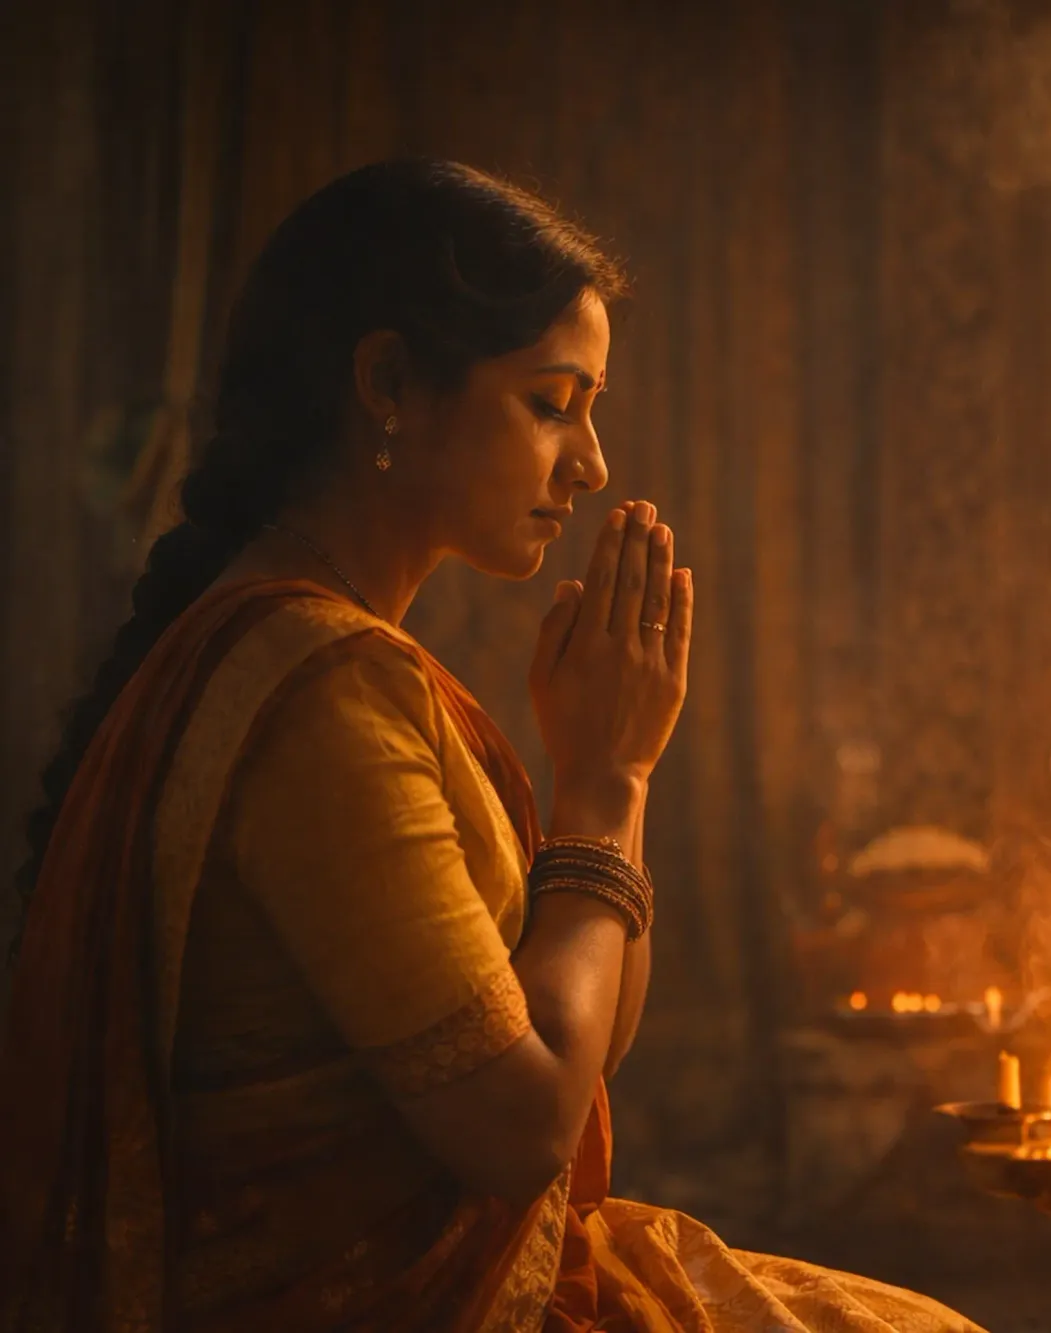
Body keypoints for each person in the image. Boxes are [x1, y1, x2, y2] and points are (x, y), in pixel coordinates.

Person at [0, 160, 980, 1333]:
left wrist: (612, 770)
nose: (593, 460)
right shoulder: (321, 695)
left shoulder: (321, 656)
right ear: (389, 384)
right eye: (553, 401)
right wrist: (604, 786)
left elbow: (584, 1046)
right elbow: (522, 1130)